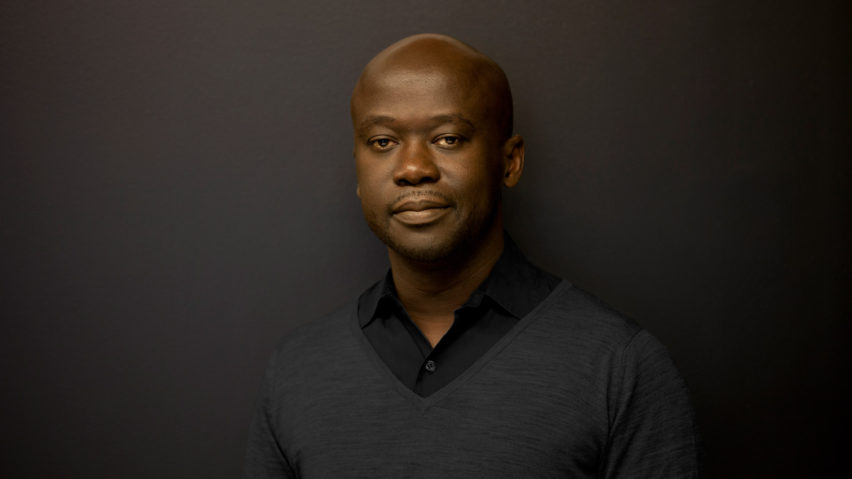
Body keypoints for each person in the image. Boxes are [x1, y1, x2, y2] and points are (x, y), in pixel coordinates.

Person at [243, 33, 700, 478]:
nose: (413, 168)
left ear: (510, 161)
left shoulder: (620, 366)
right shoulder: (296, 370)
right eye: (383, 142)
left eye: (448, 139)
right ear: (359, 172)